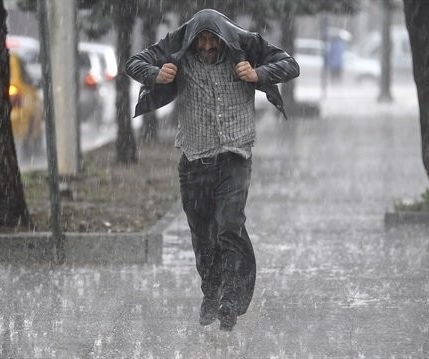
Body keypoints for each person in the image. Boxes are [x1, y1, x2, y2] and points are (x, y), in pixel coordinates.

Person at [125, 8, 299, 332]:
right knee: (203, 237)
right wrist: (155, 74)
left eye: (211, 40)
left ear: (223, 38)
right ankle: (211, 294)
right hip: (193, 160)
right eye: (200, 41)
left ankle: (230, 301)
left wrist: (257, 74)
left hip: (235, 155)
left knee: (229, 226)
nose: (206, 46)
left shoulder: (244, 44)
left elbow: (291, 65)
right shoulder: (179, 43)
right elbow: (133, 63)